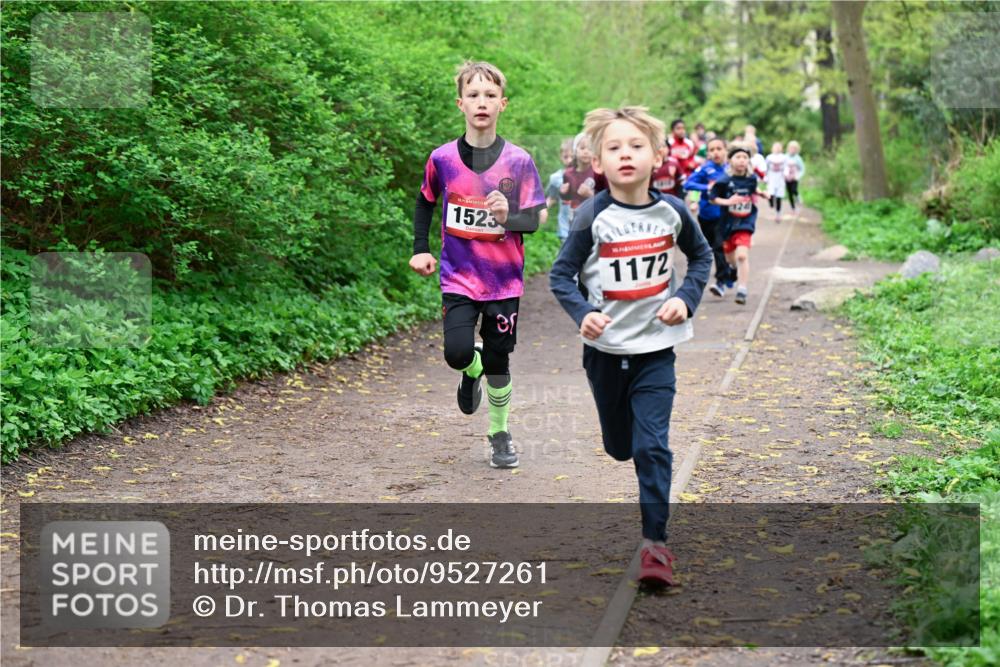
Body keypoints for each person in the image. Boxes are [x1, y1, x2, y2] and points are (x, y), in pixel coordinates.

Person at [549, 106, 712, 587]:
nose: (626, 154)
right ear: (598, 162)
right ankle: (625, 449)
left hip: (656, 350)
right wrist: (584, 313)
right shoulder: (591, 215)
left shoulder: (673, 211)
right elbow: (560, 275)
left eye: (636, 146)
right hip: (605, 352)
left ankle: (655, 546)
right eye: (614, 147)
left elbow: (701, 257)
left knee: (651, 445)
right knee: (621, 447)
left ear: (657, 157)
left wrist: (685, 299)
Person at [409, 61, 545, 469]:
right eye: (473, 95)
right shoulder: (443, 158)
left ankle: (499, 434)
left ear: (503, 103)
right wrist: (420, 248)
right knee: (456, 352)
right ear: (460, 104)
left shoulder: (519, 161)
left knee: (500, 363)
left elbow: (535, 219)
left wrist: (509, 216)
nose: (481, 102)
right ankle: (471, 368)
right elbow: (425, 201)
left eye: (490, 95)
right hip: (458, 276)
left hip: (503, 281)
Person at [709, 143, 768, 305]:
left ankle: (742, 290)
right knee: (730, 257)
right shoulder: (723, 181)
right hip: (727, 224)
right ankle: (733, 269)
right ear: (730, 160)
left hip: (745, 222)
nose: (742, 160)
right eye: (738, 157)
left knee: (742, 255)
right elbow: (712, 198)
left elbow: (753, 190)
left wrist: (762, 194)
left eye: (745, 157)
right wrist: (727, 202)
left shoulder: (751, 179)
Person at [684, 137, 735, 296]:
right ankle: (730, 272)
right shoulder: (705, 169)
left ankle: (720, 282)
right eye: (712, 150)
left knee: (720, 247)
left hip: (725, 215)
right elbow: (688, 184)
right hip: (706, 216)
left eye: (719, 148)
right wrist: (707, 187)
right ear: (708, 153)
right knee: (714, 249)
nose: (715, 152)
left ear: (726, 150)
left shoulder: (731, 169)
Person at [561, 132, 596, 225]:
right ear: (575, 151)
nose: (586, 152)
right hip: (575, 217)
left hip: (593, 218)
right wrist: (563, 193)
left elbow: (605, 198)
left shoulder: (598, 173)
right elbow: (567, 198)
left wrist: (590, 194)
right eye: (582, 148)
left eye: (590, 149)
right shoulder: (568, 174)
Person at [546, 138, 576, 242]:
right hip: (565, 230)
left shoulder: (586, 176)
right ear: (561, 157)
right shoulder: (556, 178)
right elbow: (552, 198)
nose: (569, 160)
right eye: (566, 157)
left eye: (572, 156)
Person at [667, 119, 698, 185]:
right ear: (672, 130)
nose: (682, 131)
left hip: (688, 178)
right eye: (678, 128)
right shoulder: (669, 143)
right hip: (673, 179)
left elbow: (693, 159)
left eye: (683, 128)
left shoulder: (689, 143)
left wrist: (692, 164)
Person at [765, 142, 788, 223]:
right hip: (771, 178)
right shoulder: (769, 157)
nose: (777, 149)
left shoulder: (784, 157)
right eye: (775, 147)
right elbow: (766, 167)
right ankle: (771, 204)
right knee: (770, 194)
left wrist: (786, 174)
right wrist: (765, 177)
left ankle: (778, 214)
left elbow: (786, 167)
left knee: (779, 197)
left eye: (778, 147)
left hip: (780, 179)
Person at [784, 140, 806, 220]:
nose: (792, 150)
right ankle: (793, 209)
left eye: (794, 148)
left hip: (794, 178)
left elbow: (802, 169)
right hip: (787, 178)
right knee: (789, 193)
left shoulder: (798, 159)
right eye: (791, 148)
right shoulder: (785, 157)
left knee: (794, 190)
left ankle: (798, 199)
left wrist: (797, 176)